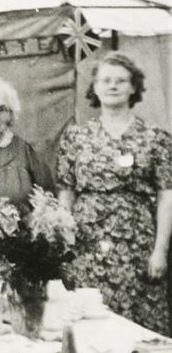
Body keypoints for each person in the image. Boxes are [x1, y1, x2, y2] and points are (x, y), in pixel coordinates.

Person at [57, 52, 172, 336]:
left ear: (134, 87)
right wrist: (62, 242)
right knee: (88, 322)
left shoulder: (155, 138)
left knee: (138, 326)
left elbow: (167, 196)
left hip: (136, 245)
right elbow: (66, 193)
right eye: (105, 80)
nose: (113, 86)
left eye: (121, 81)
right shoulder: (76, 136)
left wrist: (160, 250)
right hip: (86, 245)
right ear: (94, 87)